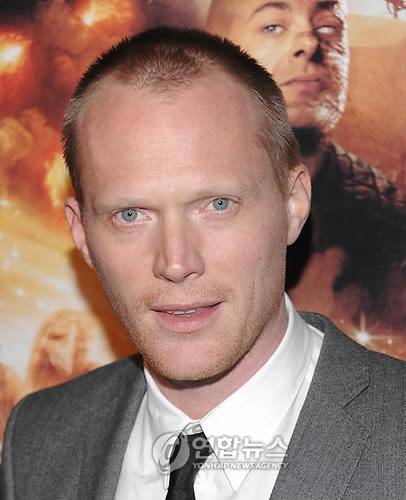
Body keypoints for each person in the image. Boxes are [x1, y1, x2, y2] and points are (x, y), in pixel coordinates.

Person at [1, 27, 405, 499]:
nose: (176, 262)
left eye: (217, 205)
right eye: (130, 215)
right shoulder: (37, 440)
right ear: (82, 234)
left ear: (293, 205)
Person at [207, 0, 406, 332]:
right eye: (273, 27)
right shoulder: (156, 192)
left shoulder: (389, 221)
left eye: (328, 27)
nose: (309, 43)